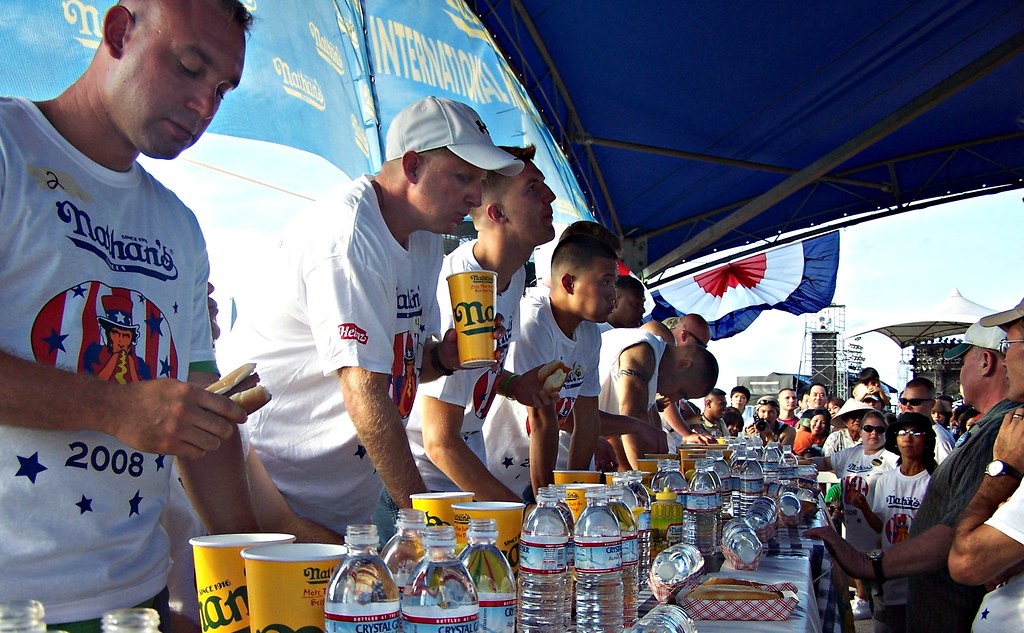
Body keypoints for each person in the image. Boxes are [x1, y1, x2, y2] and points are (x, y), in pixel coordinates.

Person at [0, 0, 259, 626]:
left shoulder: (178, 226)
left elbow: (202, 416)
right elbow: (138, 411)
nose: (205, 106)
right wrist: (115, 407)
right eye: (189, 67)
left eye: (222, 88)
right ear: (120, 31)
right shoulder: (9, 152)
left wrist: (257, 570)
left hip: (135, 602)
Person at [218, 96, 524, 537]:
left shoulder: (423, 238)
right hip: (272, 496)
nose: (476, 196)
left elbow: (401, 365)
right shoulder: (348, 234)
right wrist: (420, 524)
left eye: (480, 181)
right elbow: (364, 391)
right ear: (413, 166)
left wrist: (442, 359)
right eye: (463, 177)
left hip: (339, 505)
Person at [806, 311, 1018, 633]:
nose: (960, 372)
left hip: (952, 610)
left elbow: (957, 532)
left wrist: (867, 563)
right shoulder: (991, 427)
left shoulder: (1000, 432)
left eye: (965, 361)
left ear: (986, 362)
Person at [404, 146, 556, 504]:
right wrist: (519, 514)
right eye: (533, 188)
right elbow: (439, 442)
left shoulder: (513, 275)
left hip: (467, 463)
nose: (549, 195)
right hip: (428, 482)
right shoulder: (461, 286)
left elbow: (478, 370)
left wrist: (514, 384)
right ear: (497, 212)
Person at [482, 233, 617, 496]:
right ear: (569, 283)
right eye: (605, 282)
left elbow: (587, 421)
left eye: (615, 283)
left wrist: (575, 494)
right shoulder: (535, 322)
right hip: (496, 476)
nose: (614, 295)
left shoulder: (590, 333)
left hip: (537, 477)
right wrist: (550, 507)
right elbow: (542, 419)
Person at [811, 409, 899, 621]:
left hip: (879, 523)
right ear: (860, 431)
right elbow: (823, 463)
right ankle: (862, 598)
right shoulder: (850, 454)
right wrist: (793, 459)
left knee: (878, 570)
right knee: (856, 558)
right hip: (854, 523)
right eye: (868, 428)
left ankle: (876, 607)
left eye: (880, 429)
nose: (873, 433)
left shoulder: (892, 460)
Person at [598, 324, 719, 469]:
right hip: (569, 451)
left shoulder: (652, 374)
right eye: (681, 392)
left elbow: (648, 429)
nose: (674, 400)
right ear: (683, 364)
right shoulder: (644, 351)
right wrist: (650, 478)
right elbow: (631, 414)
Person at [859, 413, 936, 633]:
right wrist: (864, 506)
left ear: (926, 440)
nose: (908, 438)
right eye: (903, 432)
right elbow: (880, 525)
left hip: (920, 576)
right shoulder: (886, 479)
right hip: (889, 573)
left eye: (915, 433)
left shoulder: (933, 481)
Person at [898, 377, 954, 463]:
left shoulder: (941, 440)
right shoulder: (899, 434)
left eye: (915, 402)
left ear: (932, 404)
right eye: (904, 401)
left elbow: (947, 474)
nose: (908, 406)